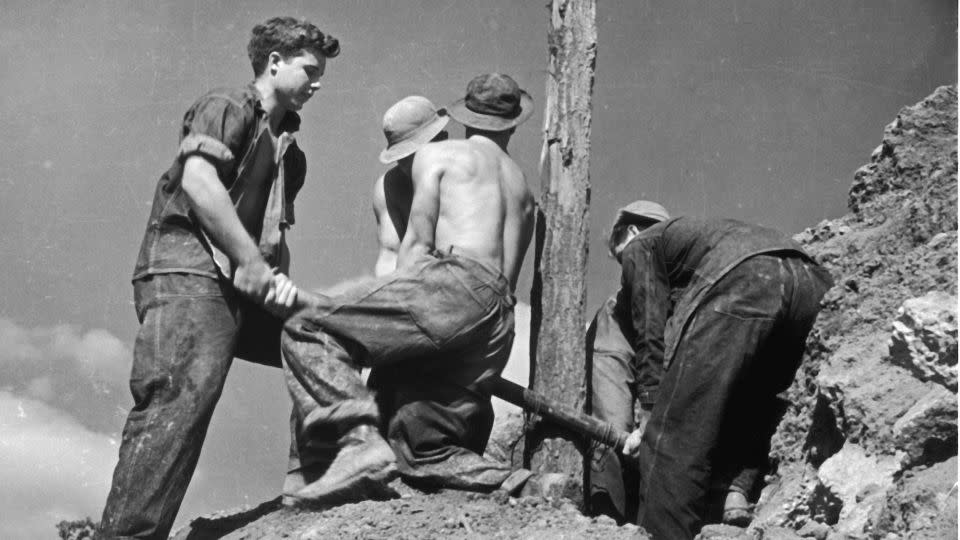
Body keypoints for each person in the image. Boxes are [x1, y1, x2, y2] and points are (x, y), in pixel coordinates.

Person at [98, 17, 339, 539]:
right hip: (187, 269)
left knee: (326, 337)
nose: (318, 82)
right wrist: (250, 263)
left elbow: (274, 234)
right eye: (310, 69)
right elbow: (199, 179)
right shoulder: (228, 105)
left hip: (239, 282)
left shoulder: (291, 153)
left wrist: (277, 289)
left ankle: (318, 484)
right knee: (182, 399)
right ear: (274, 63)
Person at [280, 76, 535, 505]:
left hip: (452, 287)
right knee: (423, 448)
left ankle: (353, 449)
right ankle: (526, 484)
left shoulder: (438, 155)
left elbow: (415, 252)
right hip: (495, 322)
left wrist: (381, 337)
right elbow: (498, 284)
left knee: (307, 327)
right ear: (512, 125)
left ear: (460, 118)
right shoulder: (524, 189)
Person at [614, 203, 834, 540]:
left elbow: (649, 329)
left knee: (671, 438)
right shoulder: (705, 237)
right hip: (811, 283)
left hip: (745, 279)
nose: (624, 269)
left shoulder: (640, 245)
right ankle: (738, 488)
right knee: (752, 400)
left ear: (629, 232)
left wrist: (648, 409)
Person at [586, 202, 670, 524]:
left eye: (622, 254)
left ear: (633, 233)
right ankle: (607, 515)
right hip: (618, 340)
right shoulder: (614, 319)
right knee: (611, 430)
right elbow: (612, 417)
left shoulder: (651, 261)